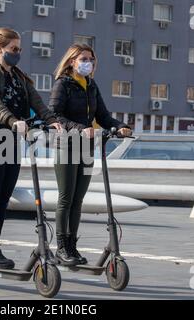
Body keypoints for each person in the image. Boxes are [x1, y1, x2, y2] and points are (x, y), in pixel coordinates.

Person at [0, 27, 62, 270]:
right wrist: (14, 121)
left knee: (3, 197)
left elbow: (37, 102)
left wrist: (51, 120)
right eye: (14, 49)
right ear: (0, 48)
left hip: (12, 141)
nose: (18, 53)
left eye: (20, 49)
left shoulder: (20, 77)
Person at [49, 44, 132, 266]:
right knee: (66, 198)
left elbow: (103, 115)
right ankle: (61, 248)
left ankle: (72, 246)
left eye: (91, 59)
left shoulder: (91, 86)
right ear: (71, 61)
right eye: (84, 58)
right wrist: (78, 128)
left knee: (78, 199)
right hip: (66, 146)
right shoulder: (62, 85)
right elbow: (55, 116)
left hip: (86, 148)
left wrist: (121, 126)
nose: (88, 63)